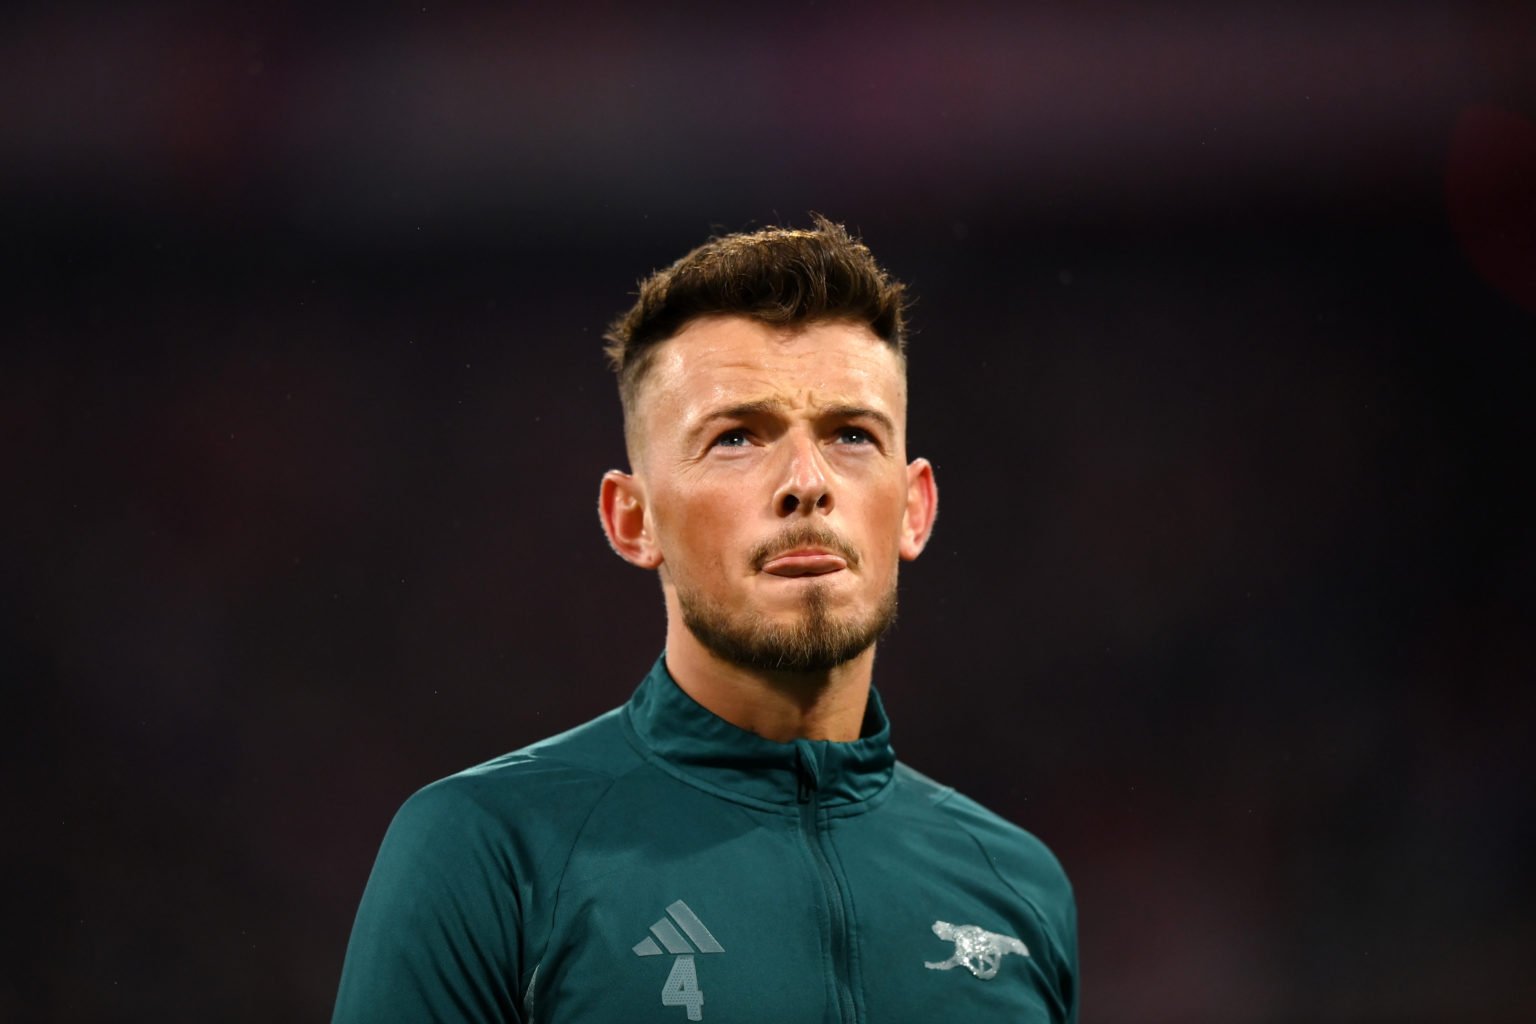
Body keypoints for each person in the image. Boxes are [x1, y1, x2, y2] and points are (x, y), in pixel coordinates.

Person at [332, 217, 1078, 1023]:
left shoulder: (1016, 889)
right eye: (735, 438)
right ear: (632, 520)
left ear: (915, 507)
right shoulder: (487, 852)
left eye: (852, 435)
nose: (806, 482)